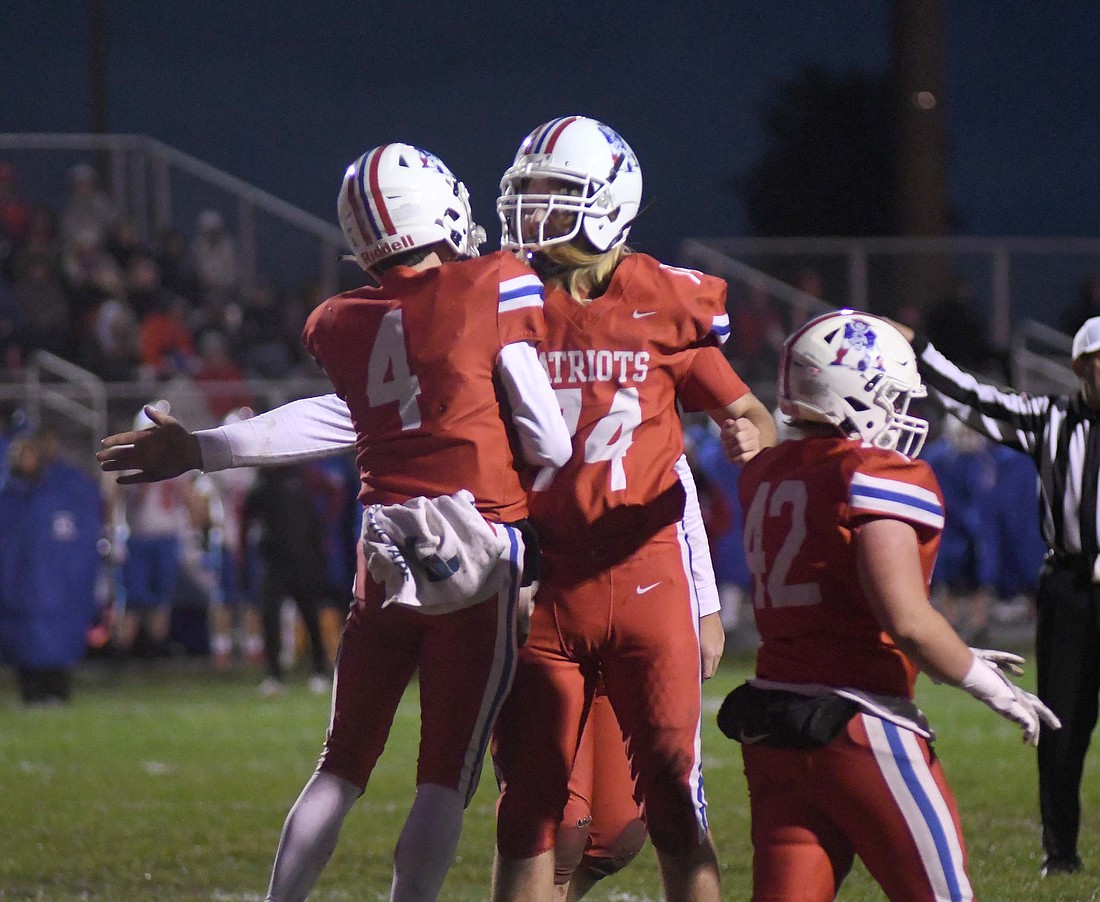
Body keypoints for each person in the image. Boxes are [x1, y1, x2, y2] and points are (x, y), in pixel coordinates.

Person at [98, 142, 573, 902]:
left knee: (341, 764)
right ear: (436, 209)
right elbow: (550, 441)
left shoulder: (343, 319)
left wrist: (202, 447)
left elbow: (334, 419)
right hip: (480, 548)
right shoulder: (494, 283)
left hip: (385, 554)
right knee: (444, 775)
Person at [488, 115, 775, 902]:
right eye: (530, 192)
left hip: (647, 584)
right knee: (536, 822)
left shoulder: (663, 302)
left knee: (662, 817)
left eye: (555, 193)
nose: (533, 211)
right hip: (539, 592)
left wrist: (752, 436)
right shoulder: (507, 300)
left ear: (610, 204)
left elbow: (748, 413)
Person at [719, 309, 1060, 900]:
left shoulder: (765, 473)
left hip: (774, 726)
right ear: (857, 394)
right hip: (860, 724)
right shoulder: (876, 472)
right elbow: (904, 618)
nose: (906, 414)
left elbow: (845, 594)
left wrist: (951, 646)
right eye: (895, 397)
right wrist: (990, 686)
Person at [888, 313, 1100, 878]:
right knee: (1062, 724)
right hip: (1072, 588)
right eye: (1097, 360)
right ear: (1080, 368)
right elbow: (970, 397)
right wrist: (922, 347)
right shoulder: (1051, 419)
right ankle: (1061, 853)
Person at [0, 431, 102, 704]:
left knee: (56, 646)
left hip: (54, 590)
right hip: (20, 592)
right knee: (25, 648)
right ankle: (31, 693)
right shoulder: (9, 498)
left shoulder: (63, 492)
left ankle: (57, 692)